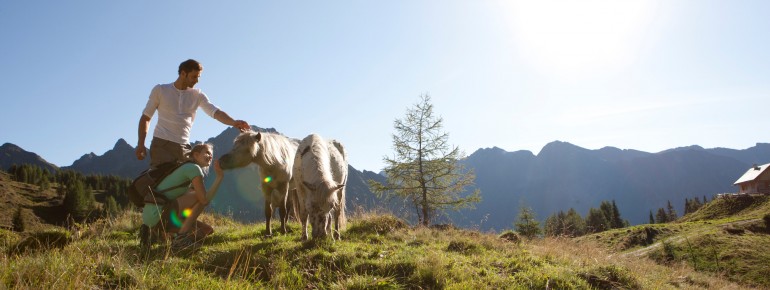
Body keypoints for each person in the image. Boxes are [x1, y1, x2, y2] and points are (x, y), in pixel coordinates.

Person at [136, 59, 250, 168]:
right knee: (160, 181)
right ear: (183, 73)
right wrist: (141, 144)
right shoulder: (160, 90)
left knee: (187, 182)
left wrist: (234, 122)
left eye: (198, 77)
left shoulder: (198, 95)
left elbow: (215, 112)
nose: (197, 80)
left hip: (183, 146)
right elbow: (146, 118)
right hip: (161, 145)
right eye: (194, 76)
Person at [139, 143, 222, 251]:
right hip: (158, 214)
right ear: (196, 155)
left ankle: (161, 235)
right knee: (199, 196)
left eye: (211, 154)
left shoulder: (185, 167)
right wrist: (219, 177)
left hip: (151, 219)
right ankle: (180, 239)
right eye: (207, 153)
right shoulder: (193, 168)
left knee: (207, 230)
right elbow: (204, 200)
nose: (210, 156)